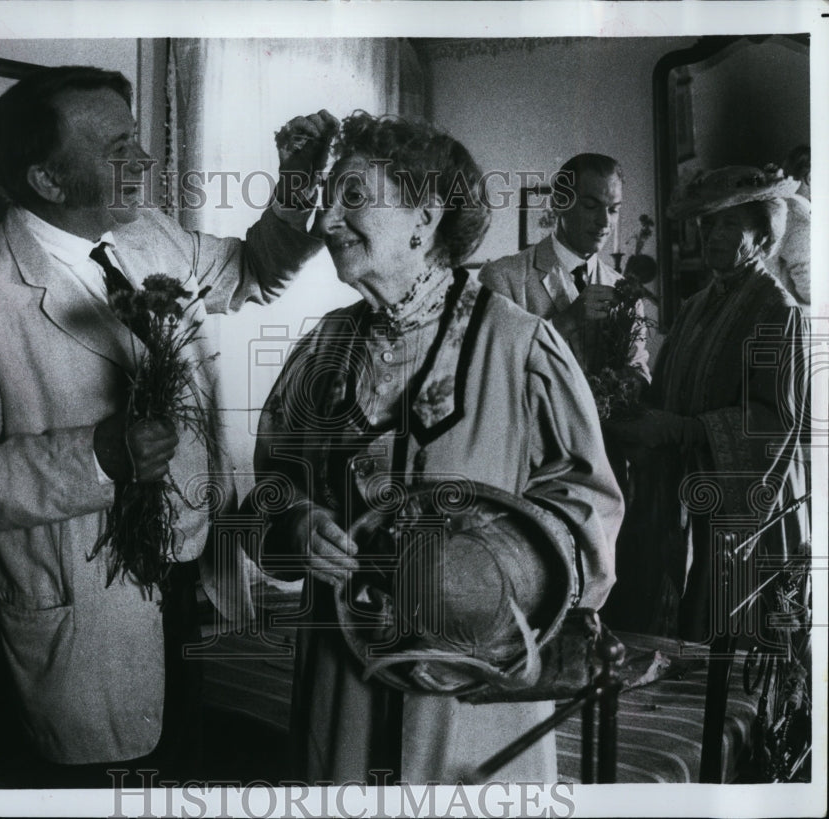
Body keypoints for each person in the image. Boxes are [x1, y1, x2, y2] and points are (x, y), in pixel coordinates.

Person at [0, 65, 337, 769]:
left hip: (187, 582)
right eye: (118, 150)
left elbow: (254, 271)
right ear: (48, 180)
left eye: (138, 141)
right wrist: (97, 455)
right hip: (86, 620)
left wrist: (294, 182)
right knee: (113, 779)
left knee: (182, 758)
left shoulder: (151, 238)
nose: (145, 161)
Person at [246, 113, 623, 784]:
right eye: (329, 198)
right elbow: (267, 490)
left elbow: (590, 523)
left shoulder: (521, 348)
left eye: (352, 196)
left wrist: (479, 570)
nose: (327, 218)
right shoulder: (322, 349)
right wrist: (295, 522)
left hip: (471, 707)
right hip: (343, 698)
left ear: (425, 215)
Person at [604, 166, 808, 641]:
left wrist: (685, 431)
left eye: (730, 226)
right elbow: (665, 390)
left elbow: (774, 424)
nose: (714, 236)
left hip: (743, 512)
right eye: (708, 225)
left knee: (730, 650)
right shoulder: (695, 306)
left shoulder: (779, 312)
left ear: (762, 238)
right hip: (681, 503)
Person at [478, 153, 650, 382]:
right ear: (559, 203)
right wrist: (566, 321)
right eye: (591, 206)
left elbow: (639, 371)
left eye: (613, 210)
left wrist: (630, 382)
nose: (604, 221)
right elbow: (489, 372)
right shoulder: (501, 278)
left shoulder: (624, 290)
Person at [775, 145, 811, 312]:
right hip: (785, 317)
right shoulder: (800, 221)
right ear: (810, 178)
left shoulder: (781, 205)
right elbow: (809, 291)